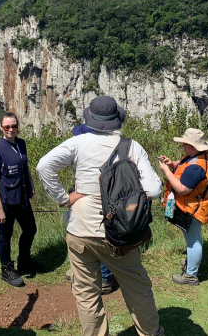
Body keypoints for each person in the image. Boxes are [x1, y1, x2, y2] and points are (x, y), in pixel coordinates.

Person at [38, 96, 165, 336]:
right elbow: (155, 190)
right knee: (137, 288)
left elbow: (44, 166)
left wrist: (64, 198)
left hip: (79, 230)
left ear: (91, 119)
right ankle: (150, 332)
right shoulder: (131, 146)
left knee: (86, 293)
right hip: (118, 233)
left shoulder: (77, 143)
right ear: (116, 119)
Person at [157, 128, 208, 286]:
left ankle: (191, 275)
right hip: (189, 206)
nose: (183, 146)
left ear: (195, 146)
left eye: (186, 144)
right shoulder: (195, 157)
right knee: (192, 238)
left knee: (193, 241)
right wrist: (172, 164)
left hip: (193, 209)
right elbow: (184, 166)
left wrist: (166, 171)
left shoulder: (197, 167)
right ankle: (191, 264)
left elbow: (183, 188)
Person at [0, 112, 37, 287]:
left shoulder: (21, 144)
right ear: (1, 127)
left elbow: (25, 165)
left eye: (13, 126)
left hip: (22, 198)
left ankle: (24, 260)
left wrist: (30, 183)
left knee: (30, 229)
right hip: (6, 201)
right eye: (7, 127)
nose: (10, 130)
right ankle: (6, 269)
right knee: (5, 236)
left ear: (18, 127)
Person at [70, 123, 119, 295]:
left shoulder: (91, 155)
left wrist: (66, 198)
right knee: (86, 237)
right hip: (91, 202)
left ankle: (105, 278)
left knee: (100, 236)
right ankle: (85, 272)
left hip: (97, 204)